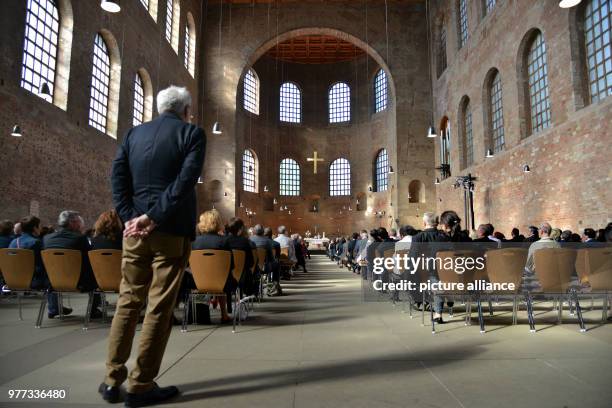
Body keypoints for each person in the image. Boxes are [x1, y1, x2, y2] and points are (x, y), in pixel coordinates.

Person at [102, 85, 205, 406]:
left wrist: (132, 217)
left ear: (160, 108)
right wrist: (154, 217)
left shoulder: (134, 134)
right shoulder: (192, 134)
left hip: (135, 232)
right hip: (170, 230)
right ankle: (140, 384)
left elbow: (117, 178)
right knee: (159, 307)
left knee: (127, 301)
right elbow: (185, 181)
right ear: (186, 110)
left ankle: (111, 379)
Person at [43, 210, 102, 319]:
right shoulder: (80, 238)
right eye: (79, 222)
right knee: (95, 273)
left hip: (53, 281)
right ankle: (93, 310)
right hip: (78, 282)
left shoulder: (47, 238)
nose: (81, 225)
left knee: (52, 274)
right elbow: (89, 260)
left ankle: (53, 307)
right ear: (72, 223)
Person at [9, 216, 69, 318]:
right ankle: (54, 308)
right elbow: (42, 264)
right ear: (34, 228)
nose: (41, 229)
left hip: (14, 279)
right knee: (53, 277)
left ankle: (56, 307)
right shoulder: (36, 242)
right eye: (39, 226)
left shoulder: (13, 242)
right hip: (33, 281)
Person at [409, 212, 450, 323]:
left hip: (426, 274)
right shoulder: (445, 236)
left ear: (424, 223)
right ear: (437, 223)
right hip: (448, 272)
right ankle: (439, 310)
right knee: (438, 281)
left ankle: (433, 309)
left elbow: (412, 259)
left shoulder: (418, 237)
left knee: (434, 280)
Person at [524, 223, 561, 288]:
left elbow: (528, 266)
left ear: (541, 231)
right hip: (554, 278)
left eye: (539, 229)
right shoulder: (557, 245)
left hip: (538, 279)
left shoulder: (534, 245)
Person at [225, 217, 255, 295]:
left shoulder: (223, 241)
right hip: (242, 277)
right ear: (241, 229)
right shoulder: (245, 242)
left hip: (225, 277)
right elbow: (251, 263)